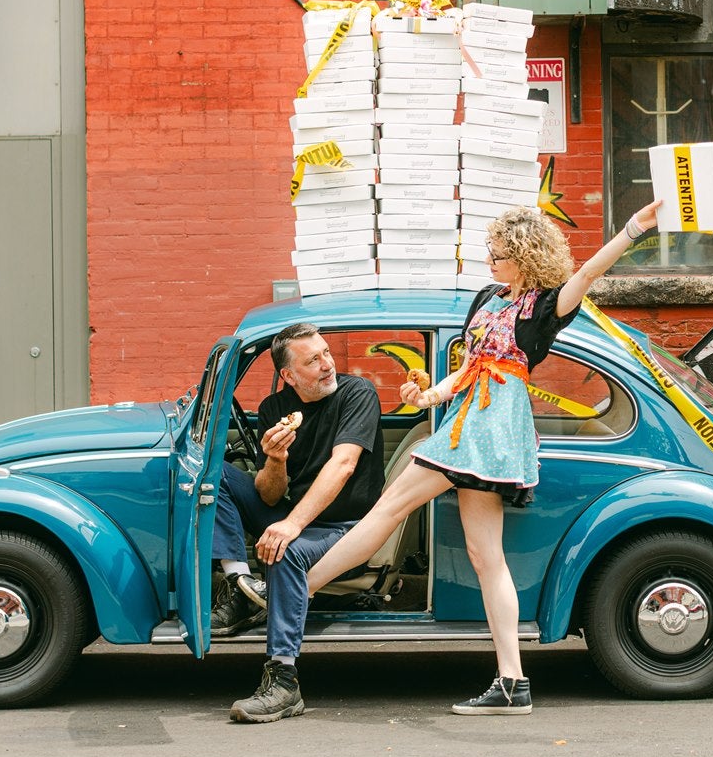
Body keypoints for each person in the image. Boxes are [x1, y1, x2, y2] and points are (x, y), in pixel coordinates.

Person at [296, 200, 662, 716]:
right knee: (485, 557)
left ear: (523, 257)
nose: (489, 261)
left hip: (487, 431)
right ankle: (513, 682)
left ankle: (297, 589)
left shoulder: (543, 309)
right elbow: (468, 369)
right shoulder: (487, 299)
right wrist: (428, 398)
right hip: (470, 424)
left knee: (388, 509)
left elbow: (587, 272)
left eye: (497, 254)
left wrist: (633, 228)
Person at [211, 322, 384, 724]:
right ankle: (239, 586)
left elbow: (343, 465)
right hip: (295, 513)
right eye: (314, 360)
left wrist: (290, 525)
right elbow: (270, 495)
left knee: (286, 549)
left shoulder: (357, 392)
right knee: (213, 472)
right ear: (288, 375)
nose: (327, 364)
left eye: (326, 353)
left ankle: (283, 681)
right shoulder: (274, 409)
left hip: (346, 528)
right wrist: (276, 459)